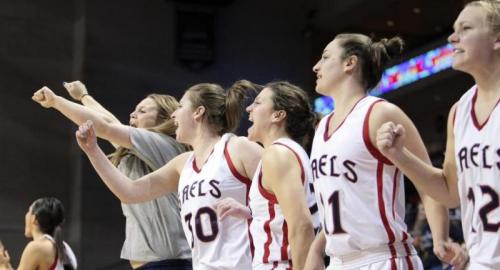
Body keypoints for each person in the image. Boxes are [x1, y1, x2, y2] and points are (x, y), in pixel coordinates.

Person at [74, 81, 263, 270]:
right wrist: (93, 150)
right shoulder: (183, 163)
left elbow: (284, 201)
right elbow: (130, 192)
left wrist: (250, 212)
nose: (174, 114)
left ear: (198, 112)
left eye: (180, 106)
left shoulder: (239, 148)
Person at [303, 33, 454, 270]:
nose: (315, 66)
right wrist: (317, 248)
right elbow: (341, 202)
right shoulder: (322, 126)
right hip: (339, 261)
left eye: (325, 57)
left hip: (383, 258)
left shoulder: (379, 113)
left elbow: (429, 181)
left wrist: (440, 236)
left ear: (349, 63)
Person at [376, 1, 500, 269]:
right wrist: (399, 155)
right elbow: (450, 191)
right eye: (454, 29)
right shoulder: (460, 111)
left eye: (465, 28)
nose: (452, 37)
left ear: (497, 39)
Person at [32, 81, 192, 269]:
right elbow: (112, 122)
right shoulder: (144, 151)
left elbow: (106, 126)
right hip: (159, 263)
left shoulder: (163, 144)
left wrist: (56, 101)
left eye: (142, 111)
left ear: (164, 119)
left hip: (169, 264)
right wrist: (84, 97)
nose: (133, 114)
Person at [215, 81, 321, 270]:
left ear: (278, 115)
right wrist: (252, 213)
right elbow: (287, 217)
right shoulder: (288, 152)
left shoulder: (277, 154)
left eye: (257, 103)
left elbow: (302, 226)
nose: (248, 108)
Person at [0, 197, 77, 270]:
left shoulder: (36, 248)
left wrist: (2, 265)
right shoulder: (65, 248)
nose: (26, 215)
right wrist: (6, 265)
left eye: (28, 211)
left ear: (35, 219)